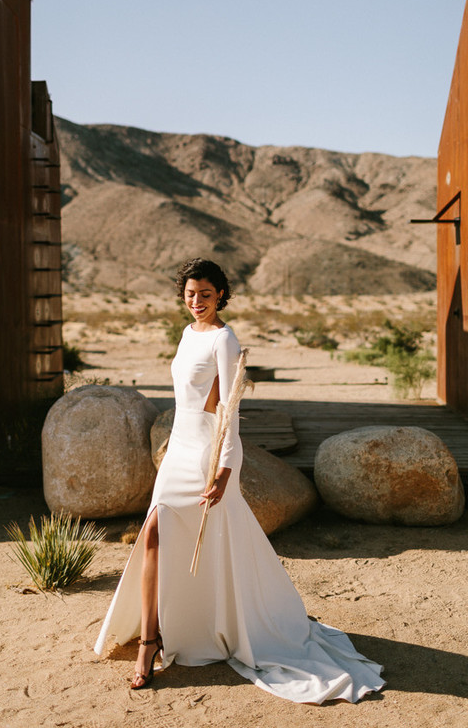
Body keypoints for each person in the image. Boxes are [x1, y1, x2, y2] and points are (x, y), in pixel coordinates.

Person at [94, 258, 385, 704]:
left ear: (221, 295)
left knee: (196, 541)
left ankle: (182, 635)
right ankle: (151, 640)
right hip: (179, 449)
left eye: (206, 295)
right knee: (152, 536)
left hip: (207, 455)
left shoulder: (225, 340)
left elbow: (229, 413)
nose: (197, 302)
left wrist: (225, 471)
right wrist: (172, 447)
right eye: (190, 294)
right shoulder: (188, 334)